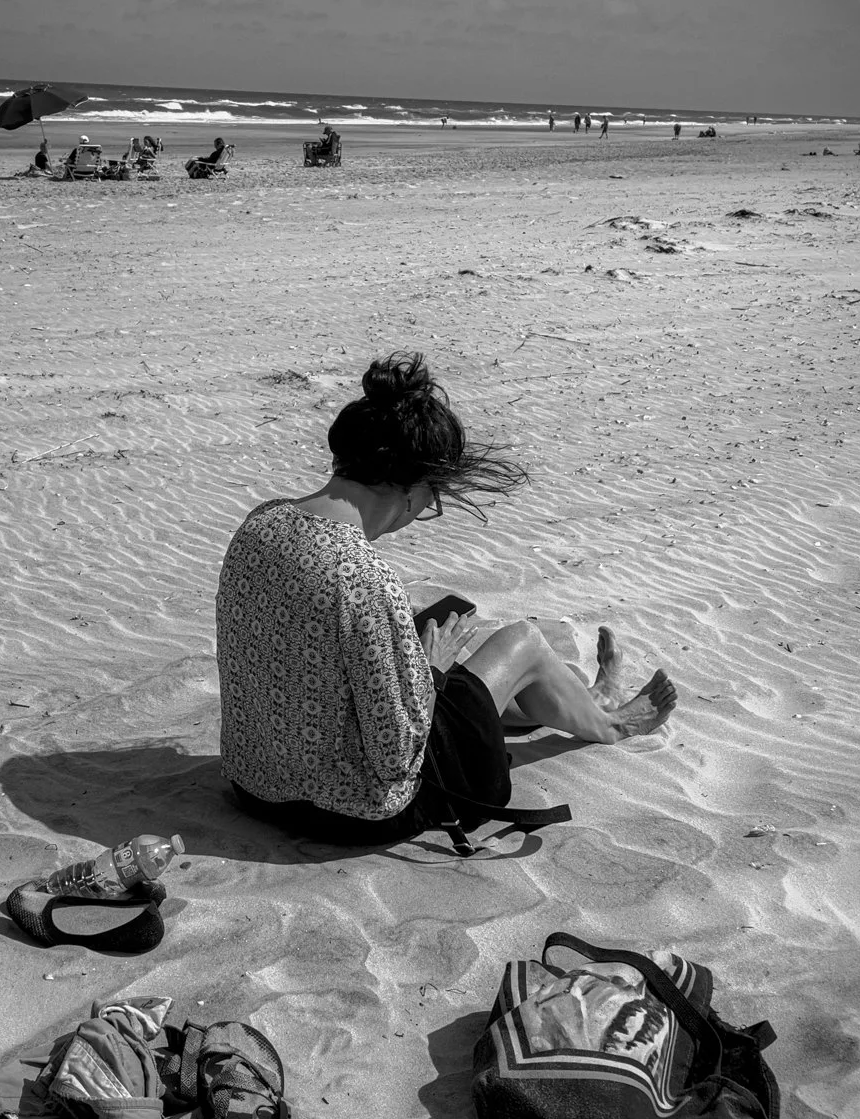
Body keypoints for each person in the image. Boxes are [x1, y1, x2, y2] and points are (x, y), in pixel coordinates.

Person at [215, 354, 677, 846]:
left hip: (256, 784)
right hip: (358, 810)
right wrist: (428, 671)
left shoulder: (261, 523)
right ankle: (609, 723)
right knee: (520, 643)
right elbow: (399, 754)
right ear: (413, 488)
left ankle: (580, 701)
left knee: (440, 661)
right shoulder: (363, 579)